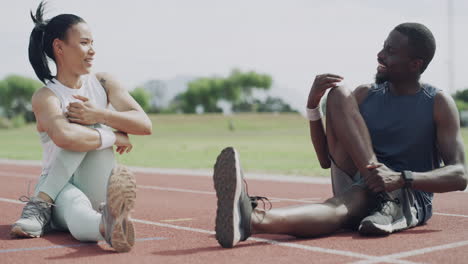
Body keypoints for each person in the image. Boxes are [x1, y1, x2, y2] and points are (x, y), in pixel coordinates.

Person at [213, 22, 467, 248]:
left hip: (407, 194)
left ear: (415, 64)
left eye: (390, 51)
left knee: (342, 205)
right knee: (339, 94)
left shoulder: (437, 103)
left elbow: (459, 175)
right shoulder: (366, 95)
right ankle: (377, 192)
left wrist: (401, 178)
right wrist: (313, 106)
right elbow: (326, 160)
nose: (379, 55)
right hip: (362, 177)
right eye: (383, 47)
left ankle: (250, 219)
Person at [10, 1, 152, 252]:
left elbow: (144, 124)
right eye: (85, 43)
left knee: (87, 121)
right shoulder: (46, 97)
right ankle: (105, 225)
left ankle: (42, 203)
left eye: (93, 43)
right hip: (61, 190)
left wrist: (99, 114)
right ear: (59, 47)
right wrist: (114, 136)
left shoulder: (104, 83)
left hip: (98, 181)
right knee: (75, 207)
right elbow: (65, 138)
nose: (92, 50)